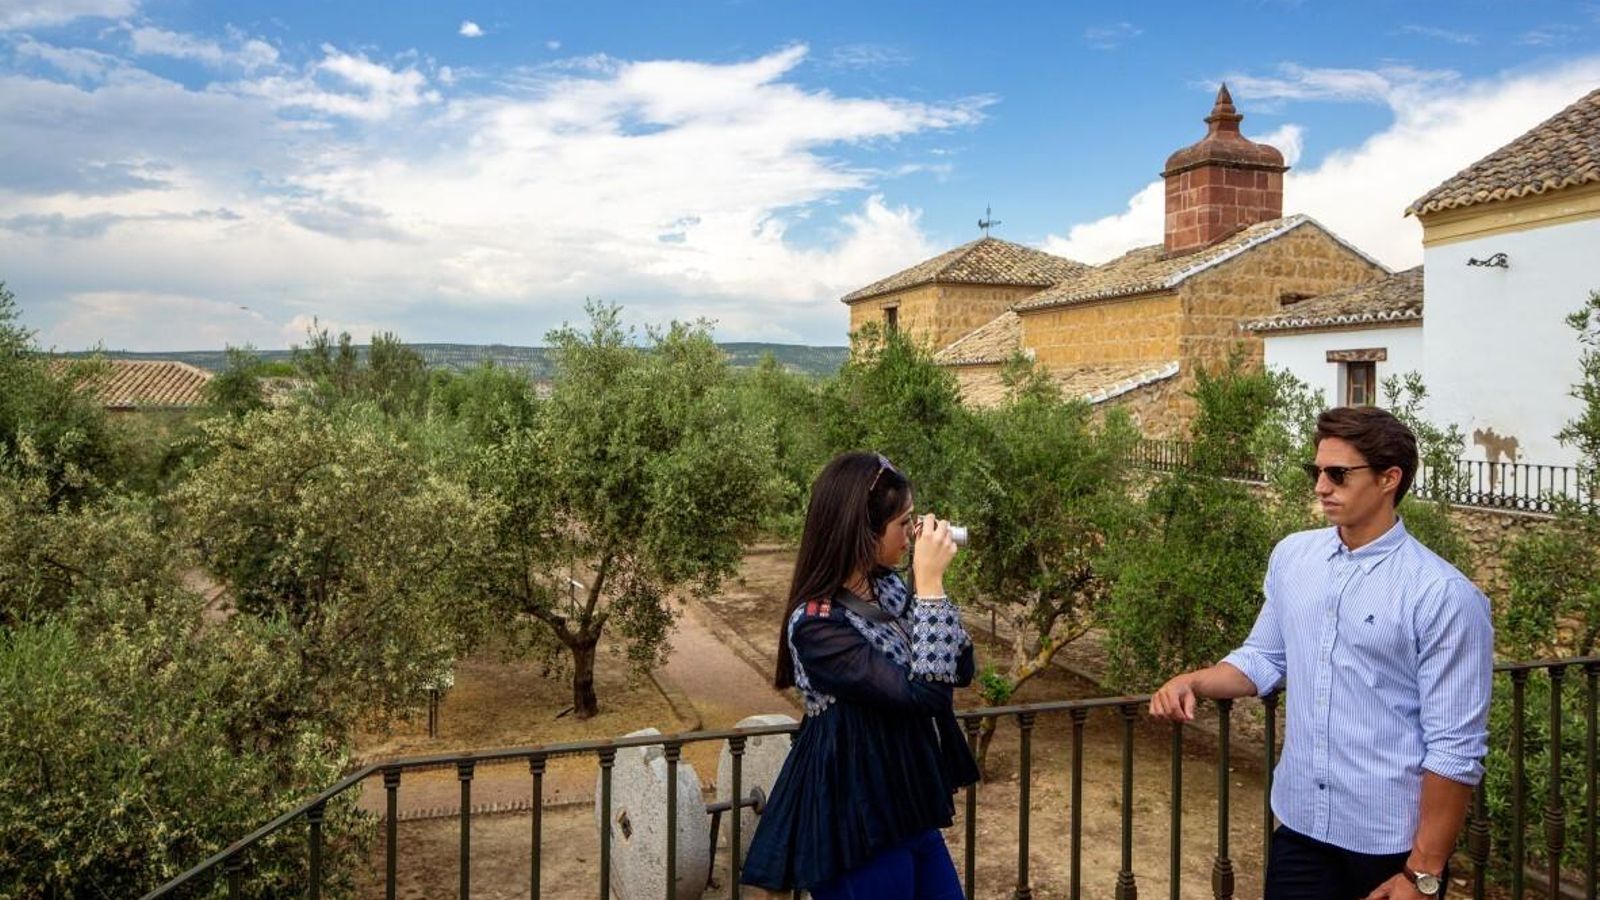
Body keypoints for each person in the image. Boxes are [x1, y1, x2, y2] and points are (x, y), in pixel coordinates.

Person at [1148, 406, 1494, 900]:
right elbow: (1265, 656)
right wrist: (1194, 681)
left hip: (1390, 844)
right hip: (1300, 825)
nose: (1320, 487)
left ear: (1388, 479)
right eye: (1317, 471)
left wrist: (1423, 872)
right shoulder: (1294, 556)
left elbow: (1455, 748)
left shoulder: (1442, 595)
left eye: (1338, 474)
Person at [741, 451, 979, 899]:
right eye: (902, 524)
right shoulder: (815, 625)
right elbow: (926, 695)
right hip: (856, 818)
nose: (911, 535)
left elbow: (960, 668)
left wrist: (931, 590)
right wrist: (927, 591)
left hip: (908, 804)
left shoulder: (889, 586)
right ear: (863, 532)